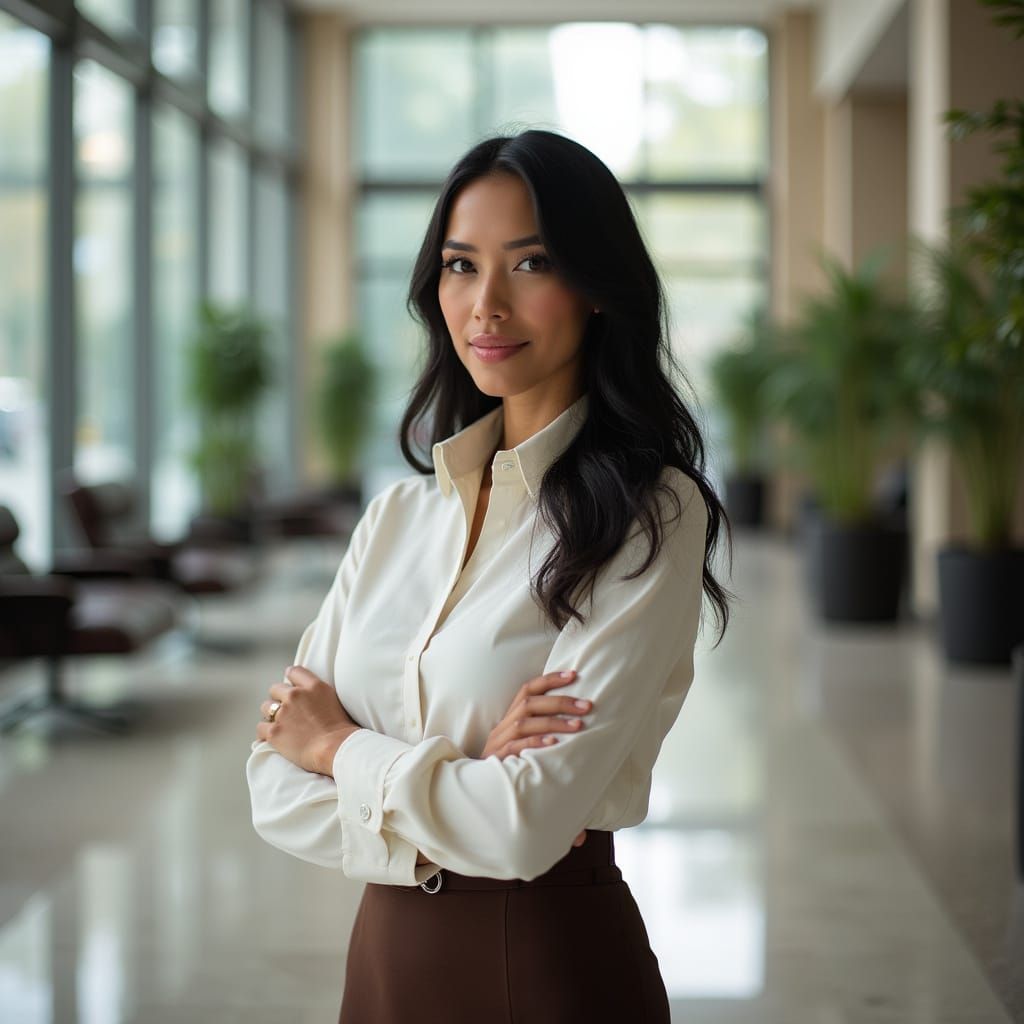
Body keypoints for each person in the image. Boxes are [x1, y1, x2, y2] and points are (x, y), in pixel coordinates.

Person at [245, 128, 733, 1023]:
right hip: (382, 965)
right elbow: (270, 790)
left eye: (532, 262)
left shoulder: (648, 513)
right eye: (461, 265)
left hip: (543, 963)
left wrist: (337, 750)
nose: (487, 306)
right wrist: (466, 784)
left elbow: (523, 828)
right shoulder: (397, 519)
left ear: (596, 288)